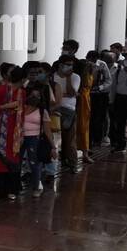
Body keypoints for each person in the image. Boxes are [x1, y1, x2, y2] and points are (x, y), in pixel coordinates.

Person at [0, 66, 27, 200]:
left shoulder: (22, 92)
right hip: (0, 128)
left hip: (15, 129)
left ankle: (11, 189)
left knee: (13, 156)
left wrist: (21, 131)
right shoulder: (2, 90)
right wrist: (6, 106)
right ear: (22, 79)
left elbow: (22, 112)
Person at [21, 80, 53, 195]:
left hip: (34, 138)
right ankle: (14, 186)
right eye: (33, 95)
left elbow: (47, 130)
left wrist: (53, 146)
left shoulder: (42, 111)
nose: (35, 98)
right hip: (20, 137)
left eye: (38, 96)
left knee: (34, 163)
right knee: (17, 162)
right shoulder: (21, 107)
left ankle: (36, 187)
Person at [53, 43, 82, 172]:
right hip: (55, 109)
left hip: (69, 110)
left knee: (69, 139)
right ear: (60, 65)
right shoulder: (53, 76)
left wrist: (69, 79)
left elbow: (71, 92)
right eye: (66, 64)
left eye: (71, 65)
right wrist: (65, 94)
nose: (68, 67)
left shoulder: (75, 77)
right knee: (55, 138)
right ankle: (56, 162)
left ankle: (72, 163)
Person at [89, 51, 114, 147]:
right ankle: (89, 138)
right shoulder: (85, 64)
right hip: (88, 94)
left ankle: (97, 139)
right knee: (90, 117)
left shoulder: (102, 65)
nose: (92, 62)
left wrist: (100, 87)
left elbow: (108, 80)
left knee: (99, 117)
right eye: (90, 59)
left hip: (100, 94)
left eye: (93, 60)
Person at [75, 54, 95, 162]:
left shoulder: (84, 76)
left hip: (84, 100)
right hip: (83, 100)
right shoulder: (82, 77)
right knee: (83, 127)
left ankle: (84, 151)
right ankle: (84, 151)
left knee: (83, 127)